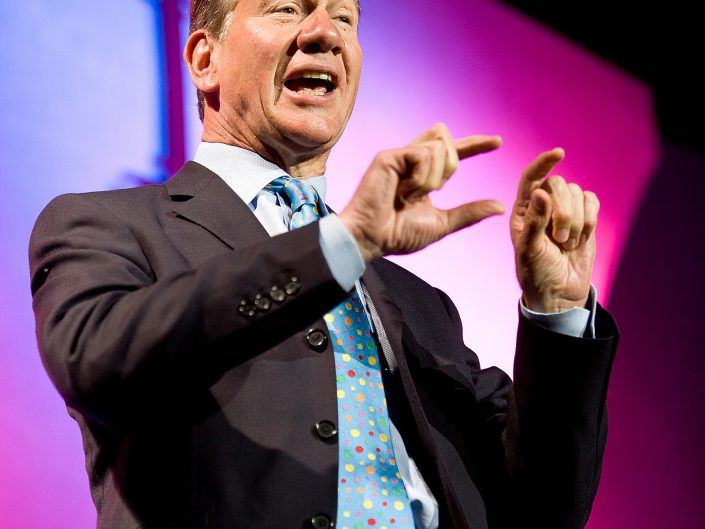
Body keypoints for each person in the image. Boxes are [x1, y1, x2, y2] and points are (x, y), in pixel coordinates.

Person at [29, 1, 618, 528]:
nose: (324, 33)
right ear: (205, 59)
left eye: (344, 17)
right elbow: (96, 361)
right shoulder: (112, 226)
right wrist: (342, 243)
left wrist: (556, 314)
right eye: (287, 8)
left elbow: (547, 509)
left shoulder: (421, 306)